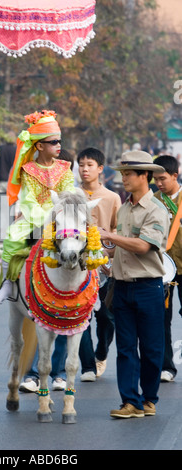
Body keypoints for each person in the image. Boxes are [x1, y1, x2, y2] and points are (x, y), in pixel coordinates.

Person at [99, 150, 169, 418]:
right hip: (122, 287)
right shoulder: (125, 207)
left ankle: (149, 398)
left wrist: (110, 237)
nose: (124, 178)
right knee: (126, 348)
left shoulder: (156, 209)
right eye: (123, 173)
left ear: (145, 176)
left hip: (149, 288)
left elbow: (142, 246)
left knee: (151, 350)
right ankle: (130, 402)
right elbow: (123, 249)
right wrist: (99, 252)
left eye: (128, 173)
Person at [0, 110, 75, 305]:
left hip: (63, 213)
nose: (59, 146)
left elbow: (69, 193)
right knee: (12, 237)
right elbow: (28, 199)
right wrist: (46, 218)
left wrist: (60, 214)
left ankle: (90, 286)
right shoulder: (28, 170)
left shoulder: (65, 167)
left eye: (59, 141)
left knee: (86, 239)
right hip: (35, 215)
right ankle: (8, 283)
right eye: (53, 142)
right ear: (39, 145)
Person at [77, 148, 121, 382]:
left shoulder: (112, 198)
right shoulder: (72, 195)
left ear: (100, 168)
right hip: (78, 268)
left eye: (90, 165)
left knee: (106, 316)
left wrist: (108, 255)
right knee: (81, 317)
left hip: (104, 266)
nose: (85, 169)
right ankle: (87, 367)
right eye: (81, 165)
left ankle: (101, 353)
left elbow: (117, 231)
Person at [153, 155, 182, 382]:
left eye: (163, 178)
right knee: (162, 318)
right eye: (155, 180)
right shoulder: (153, 201)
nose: (159, 183)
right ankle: (166, 367)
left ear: (175, 175)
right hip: (162, 268)